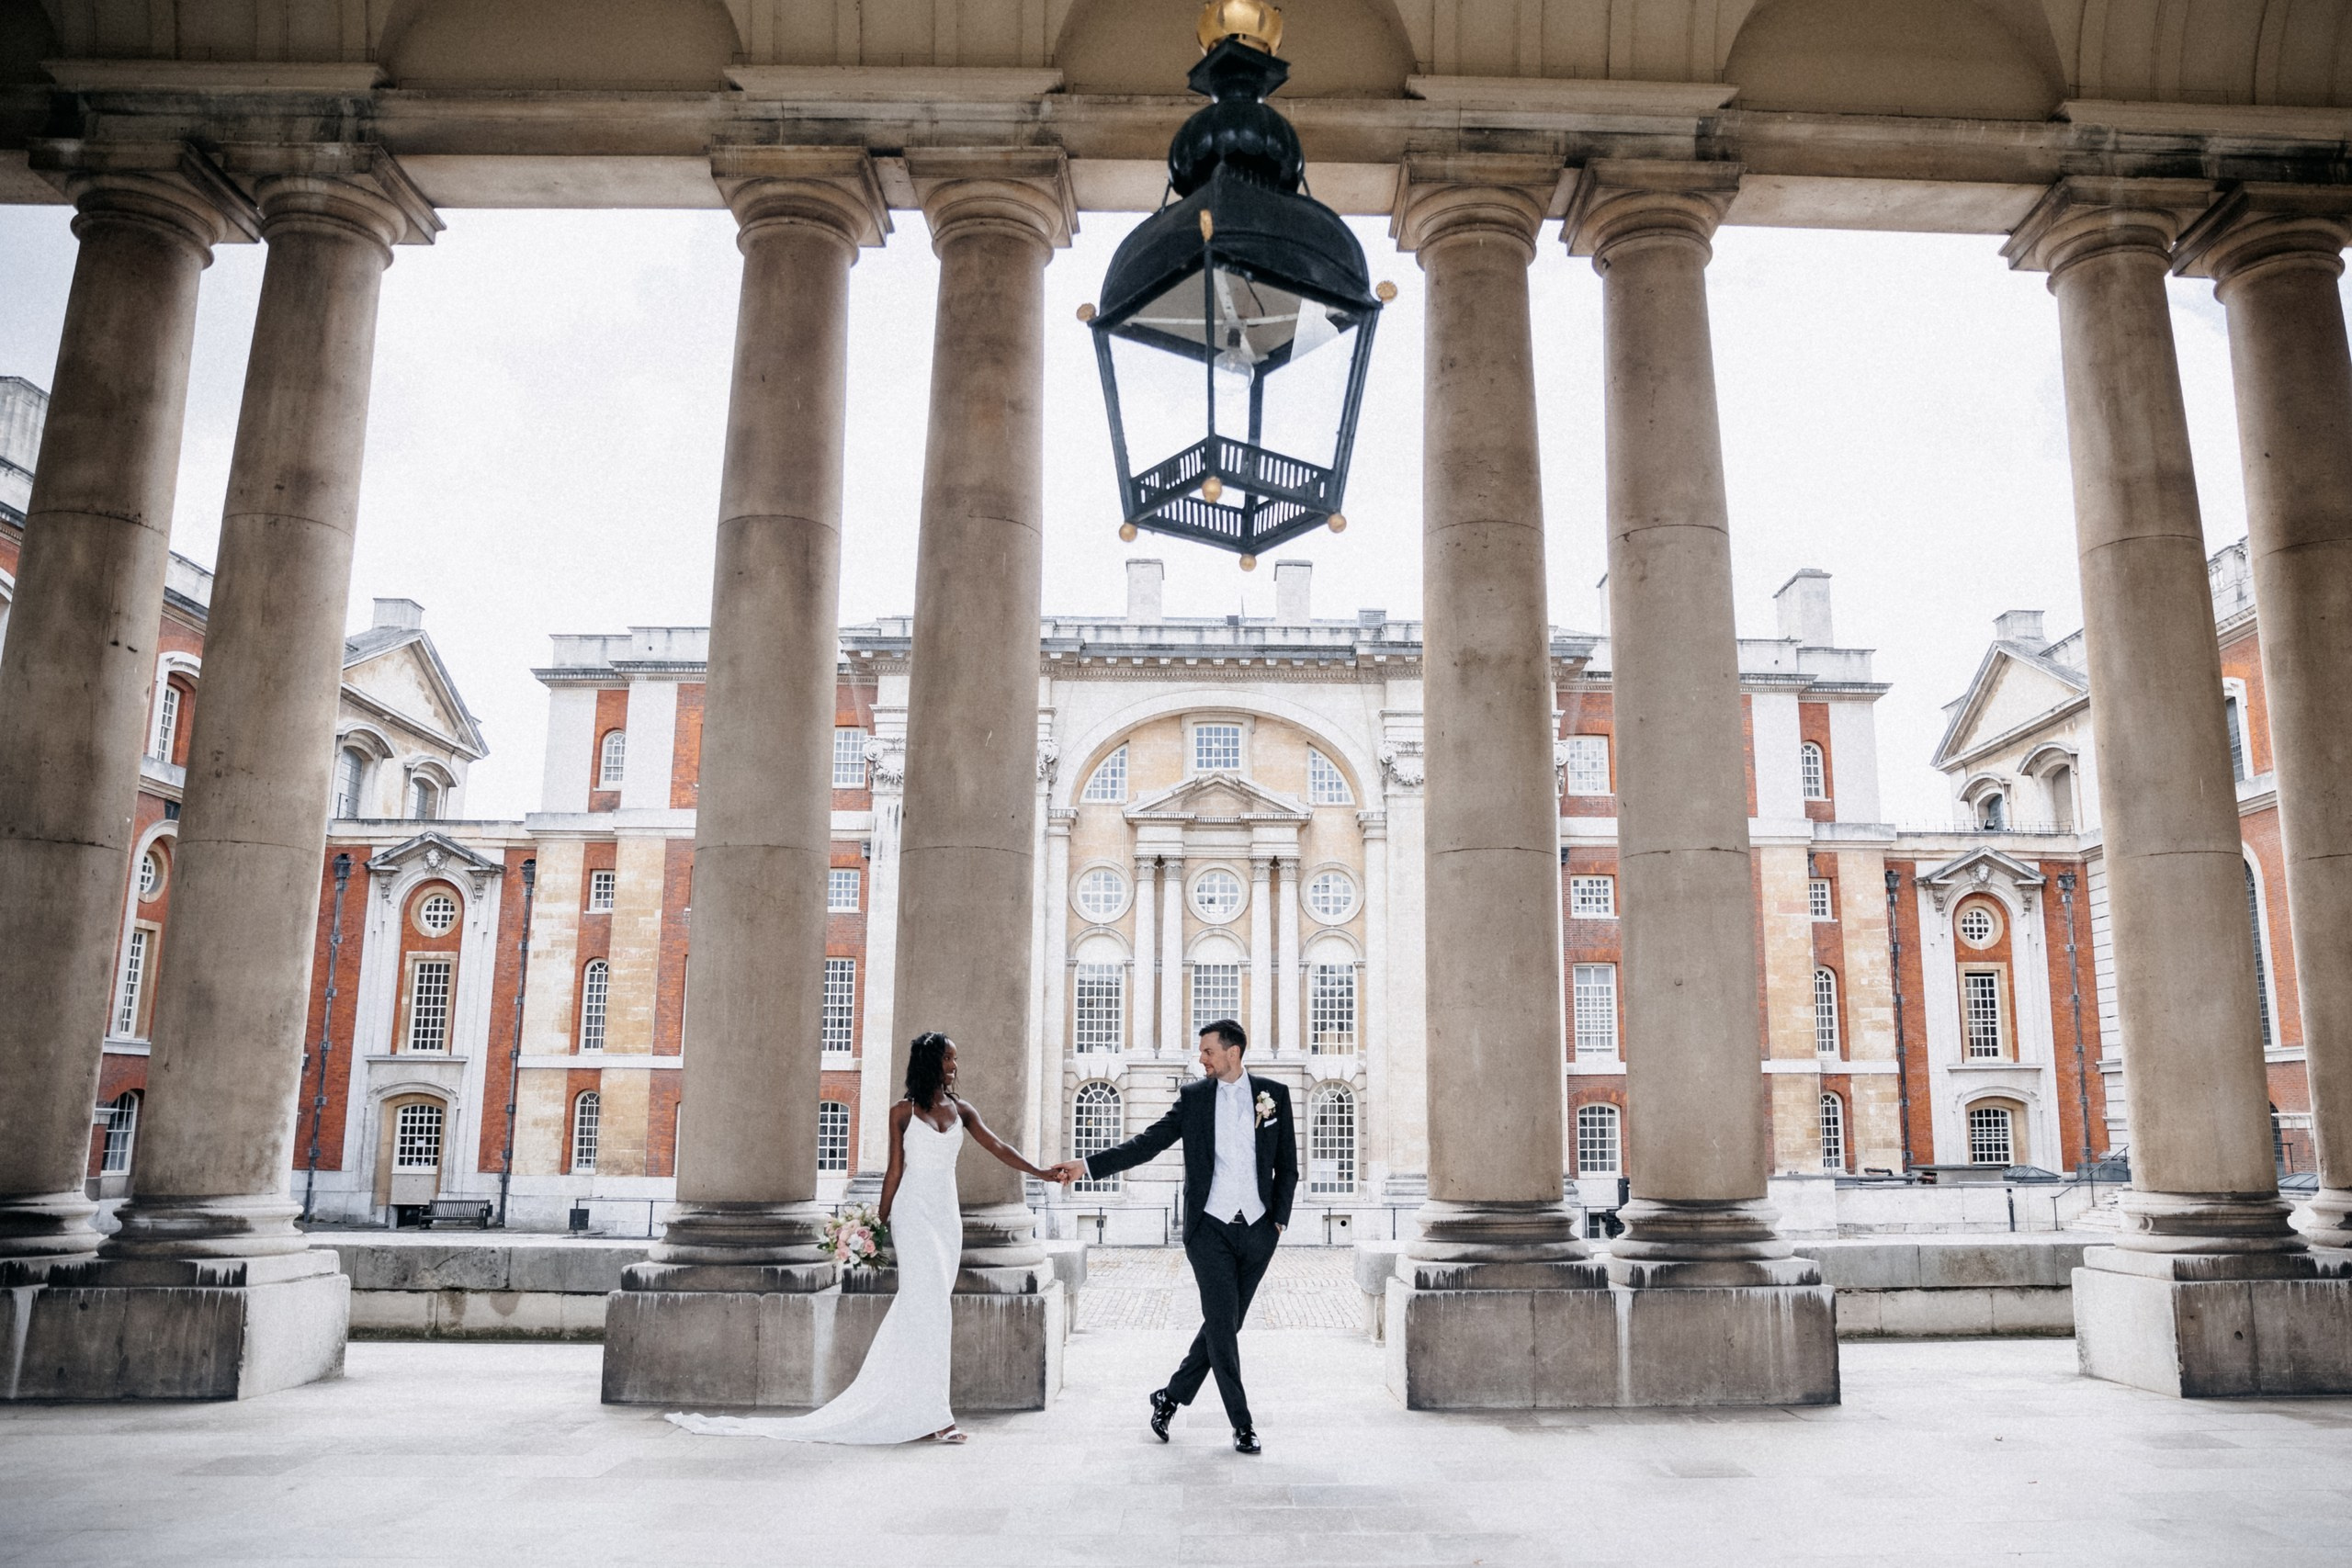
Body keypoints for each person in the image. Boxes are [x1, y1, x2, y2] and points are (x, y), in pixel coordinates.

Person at [668, 1032, 1065, 1445]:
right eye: (949, 1059)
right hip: (913, 1213)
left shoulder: (962, 1110)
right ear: (931, 1062)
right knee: (927, 1305)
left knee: (926, 1308)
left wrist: (1039, 1172)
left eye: (955, 1059)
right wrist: (878, 1221)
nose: (954, 1066)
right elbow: (894, 1170)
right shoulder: (901, 1112)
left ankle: (908, 1400)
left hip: (947, 1216)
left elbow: (997, 1145)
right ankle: (937, 1415)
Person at [1047, 1018, 1295, 1454]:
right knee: (1223, 1327)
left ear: (1232, 1052)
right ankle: (1243, 1424)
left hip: (1259, 1232)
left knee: (1224, 1326)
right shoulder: (1195, 1098)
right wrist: (1086, 1165)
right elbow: (1148, 1143)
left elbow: (1288, 1167)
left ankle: (1169, 1397)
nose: (1201, 1059)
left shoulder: (1273, 1095)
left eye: (1207, 1052)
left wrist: (1279, 1220)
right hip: (1209, 1231)